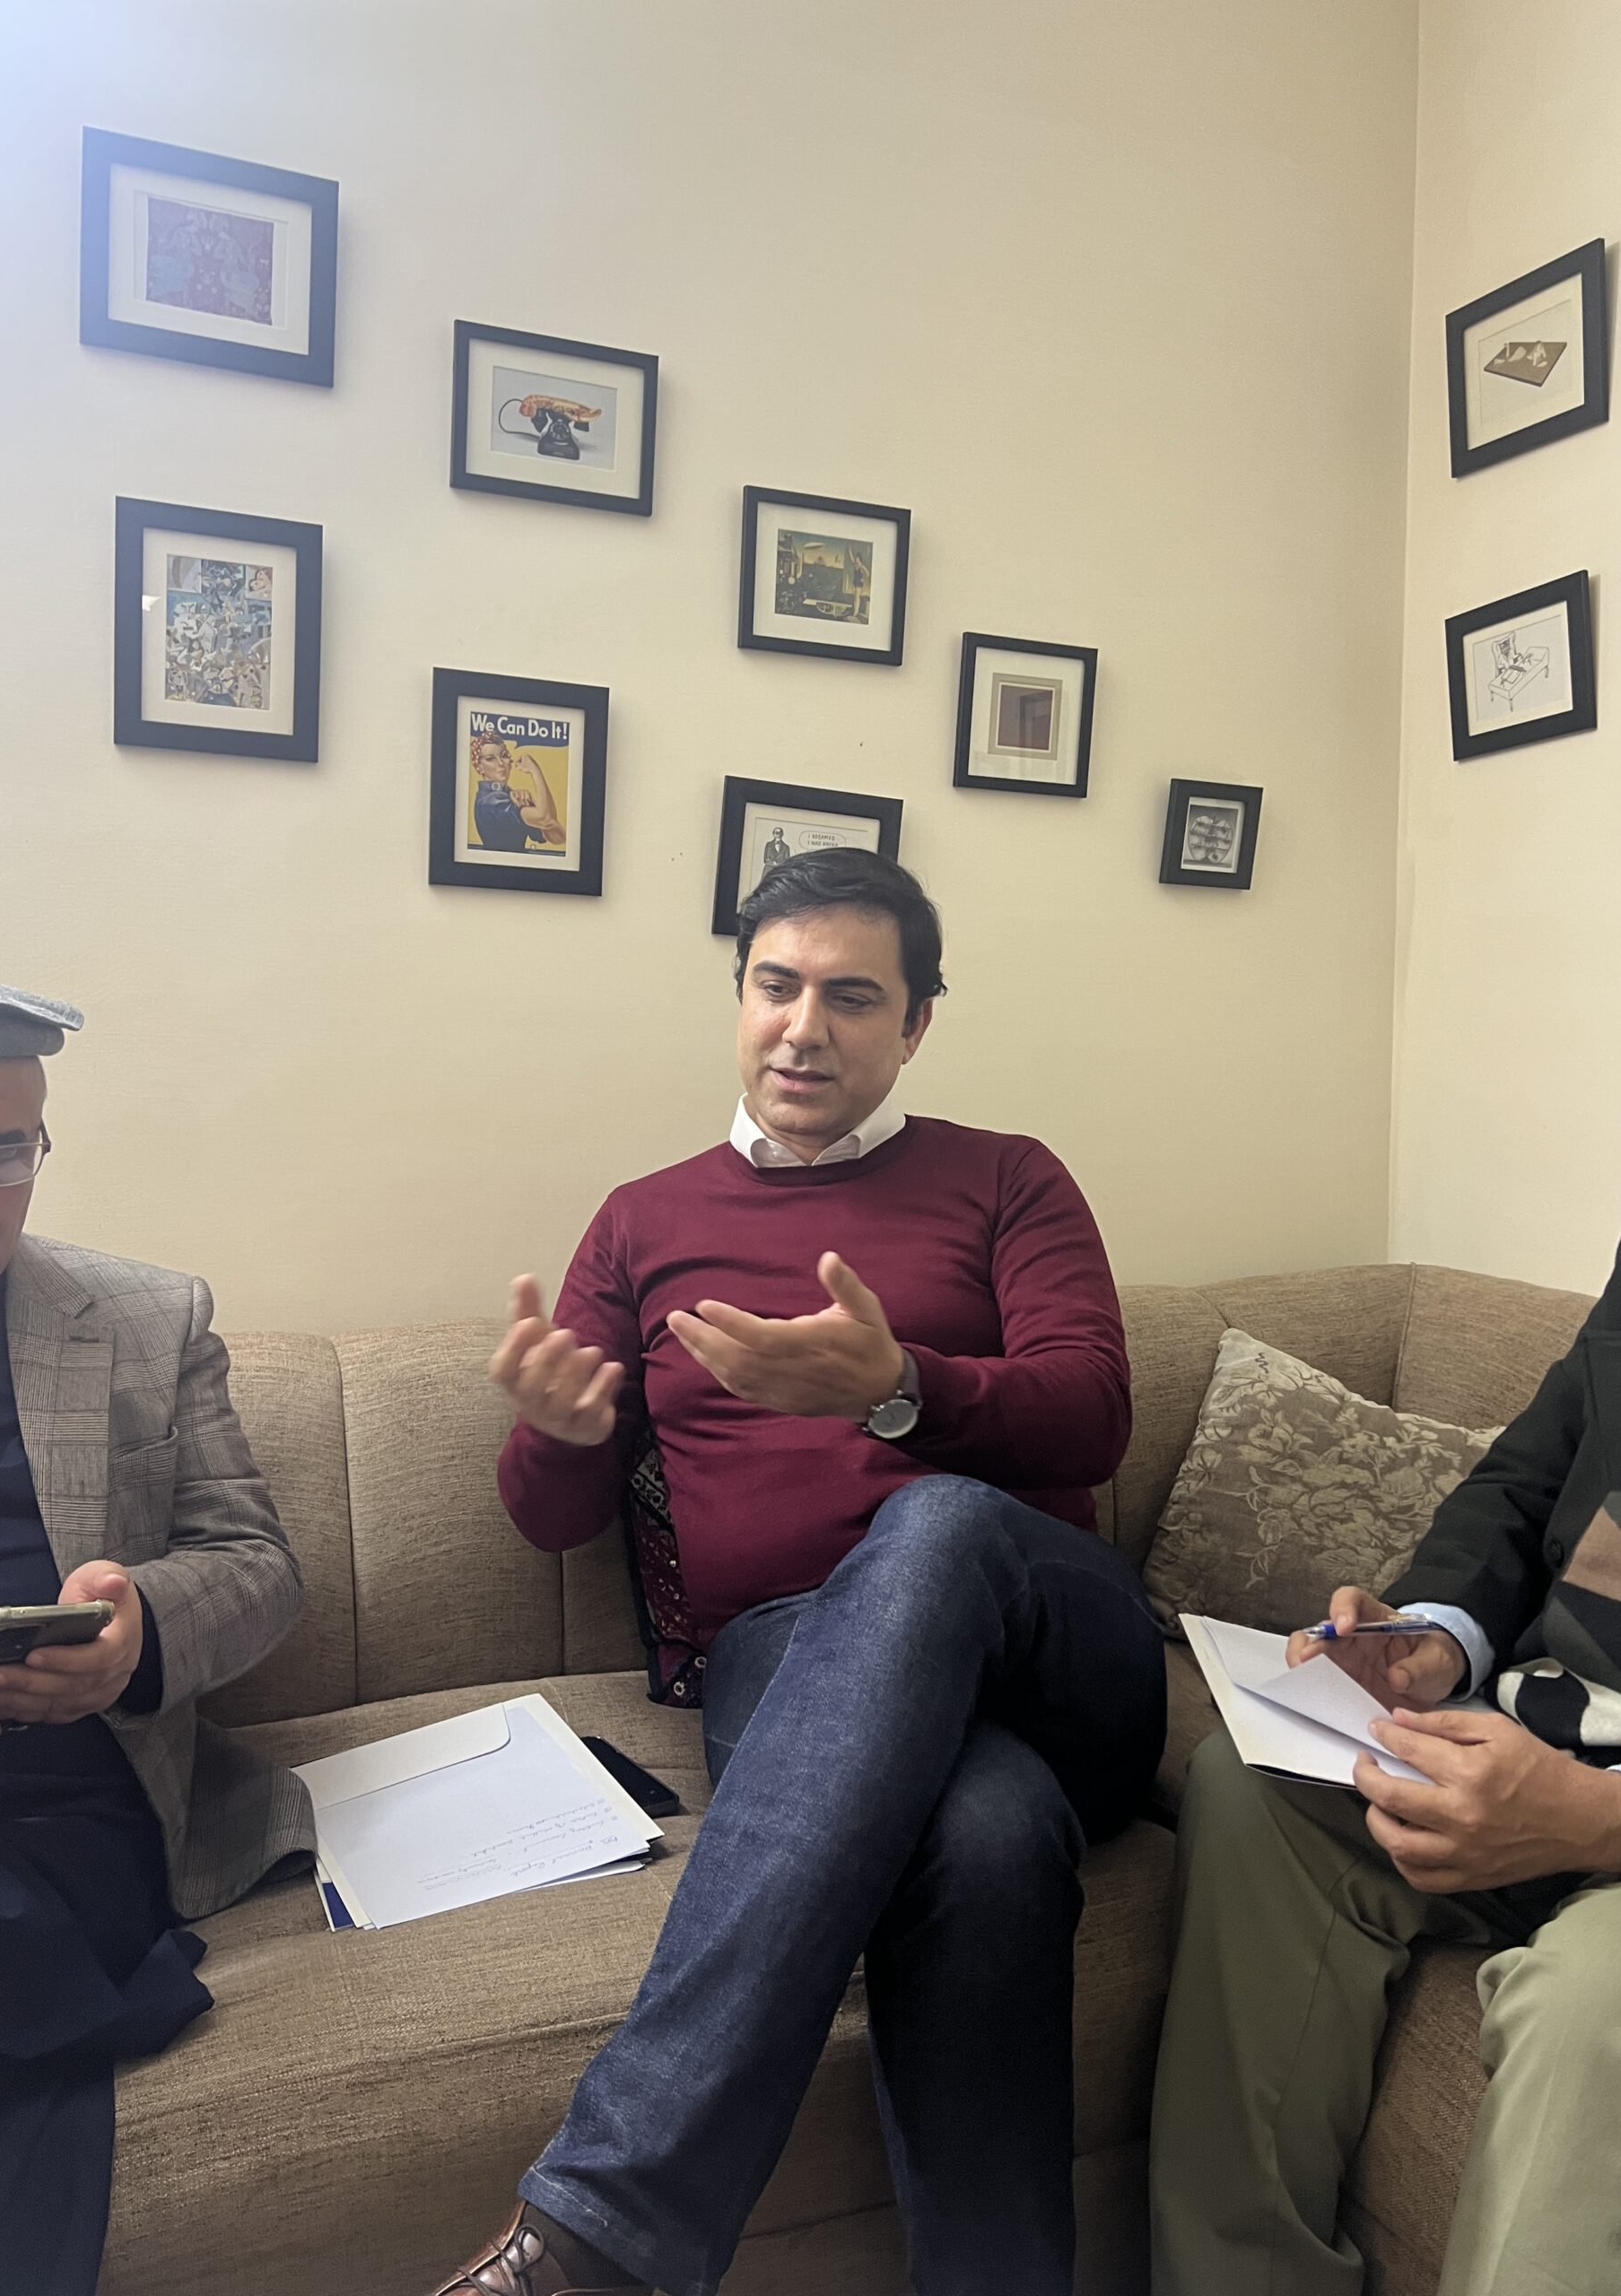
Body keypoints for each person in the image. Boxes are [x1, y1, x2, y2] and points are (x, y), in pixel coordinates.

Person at [429, 848, 1165, 2296]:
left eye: (852, 997)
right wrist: (562, 1435)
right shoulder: (641, 1221)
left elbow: (1093, 1414)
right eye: (776, 986)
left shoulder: (1009, 1179)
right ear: (739, 997)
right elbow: (548, 1520)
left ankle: (604, 2226)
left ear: (918, 1022)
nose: (803, 1028)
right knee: (986, 1840)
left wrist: (900, 1389)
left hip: (1051, 1643)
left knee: (933, 1525)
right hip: (789, 1654)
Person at [1151, 1188, 1621, 2296]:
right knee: (1254, 1785)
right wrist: (1436, 1635)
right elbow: (1526, 1480)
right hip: (1531, 1733)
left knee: (1594, 2002)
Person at [0, 975, 312, 2295]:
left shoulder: (149, 1320)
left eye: (3, 1154)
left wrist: (140, 1632)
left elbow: (259, 1567)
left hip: (75, 1813)